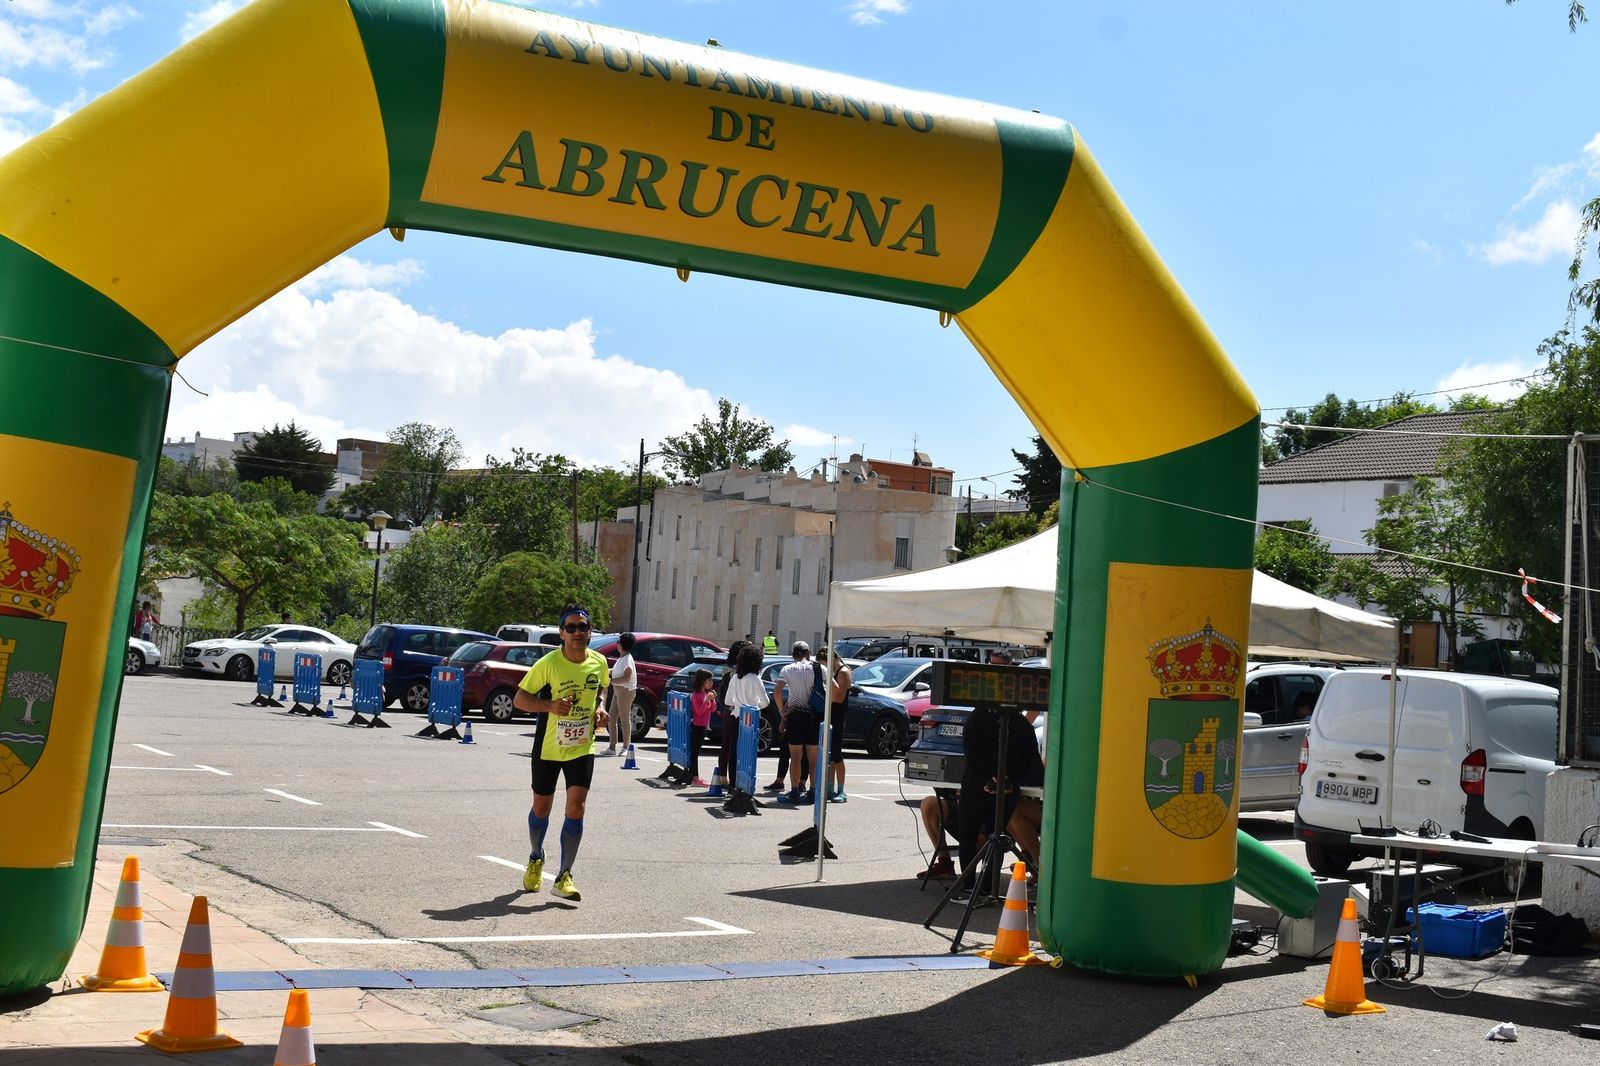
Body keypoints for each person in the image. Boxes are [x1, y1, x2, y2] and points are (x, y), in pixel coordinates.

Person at [512, 604, 610, 903]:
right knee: (542, 807)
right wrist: (550, 706)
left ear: (590, 631)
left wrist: (601, 708)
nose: (577, 632)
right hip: (549, 747)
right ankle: (535, 856)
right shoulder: (549, 663)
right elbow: (519, 699)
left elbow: (602, 688)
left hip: (582, 745)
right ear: (561, 633)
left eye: (583, 627)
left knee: (577, 806)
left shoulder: (599, 662)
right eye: (571, 628)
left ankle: (565, 875)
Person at [957, 704, 1045, 898]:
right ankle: (989, 887)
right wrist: (1009, 780)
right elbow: (1030, 759)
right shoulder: (1022, 724)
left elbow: (971, 752)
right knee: (994, 839)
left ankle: (968, 886)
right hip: (1006, 791)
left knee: (969, 838)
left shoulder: (976, 718)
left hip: (976, 788)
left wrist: (987, 780)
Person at [772, 641, 819, 803]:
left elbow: (777, 691)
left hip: (796, 716)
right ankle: (813, 791)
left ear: (793, 654)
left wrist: (782, 712)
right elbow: (832, 688)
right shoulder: (819, 668)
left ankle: (794, 791)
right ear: (808, 652)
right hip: (813, 716)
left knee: (796, 756)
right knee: (813, 758)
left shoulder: (788, 669)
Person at [723, 644, 768, 787]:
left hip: (737, 716)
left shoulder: (735, 677)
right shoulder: (755, 678)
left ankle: (733, 785)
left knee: (734, 751)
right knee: (748, 753)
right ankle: (745, 785)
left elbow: (727, 700)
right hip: (751, 719)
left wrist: (739, 704)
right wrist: (755, 706)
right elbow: (766, 702)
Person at [822, 650, 851, 803]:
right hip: (832, 716)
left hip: (838, 717)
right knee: (831, 756)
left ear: (833, 658)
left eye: (826, 662)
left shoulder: (843, 672)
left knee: (837, 755)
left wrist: (824, 696)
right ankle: (830, 788)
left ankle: (841, 790)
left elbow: (839, 698)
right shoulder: (835, 671)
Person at [603, 633, 637, 756]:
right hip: (618, 691)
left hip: (625, 691)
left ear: (621, 644)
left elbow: (627, 677)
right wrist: (607, 671)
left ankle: (626, 748)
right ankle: (612, 747)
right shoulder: (622, 658)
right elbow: (617, 672)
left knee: (624, 719)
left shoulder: (627, 659)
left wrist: (610, 681)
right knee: (611, 717)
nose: (617, 643)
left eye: (619, 641)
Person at [688, 668, 715, 786]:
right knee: (695, 752)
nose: (711, 683)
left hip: (703, 726)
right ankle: (694, 777)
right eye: (709, 680)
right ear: (702, 681)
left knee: (697, 751)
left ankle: (695, 776)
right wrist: (706, 701)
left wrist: (712, 700)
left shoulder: (705, 694)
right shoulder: (696, 696)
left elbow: (713, 709)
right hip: (697, 726)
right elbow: (698, 712)